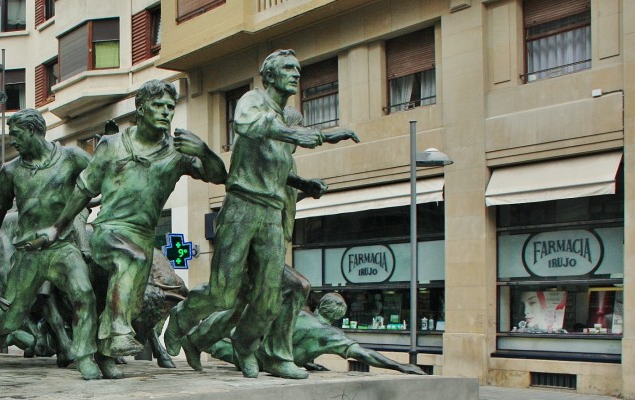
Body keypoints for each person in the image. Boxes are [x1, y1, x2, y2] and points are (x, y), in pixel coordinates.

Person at [164, 49, 359, 378]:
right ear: (269, 76)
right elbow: (246, 124)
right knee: (223, 293)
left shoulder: (282, 122)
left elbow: (275, 169)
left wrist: (302, 183)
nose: (295, 74)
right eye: (287, 69)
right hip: (242, 206)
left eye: (297, 69)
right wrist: (307, 134)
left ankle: (253, 346)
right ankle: (181, 319)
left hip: (270, 211)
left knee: (269, 295)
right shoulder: (253, 101)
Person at [27, 79, 226, 378]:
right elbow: (83, 190)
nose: (165, 112)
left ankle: (106, 354)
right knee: (130, 259)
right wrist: (57, 228)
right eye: (158, 106)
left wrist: (205, 151)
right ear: (141, 108)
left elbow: (218, 175)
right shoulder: (112, 145)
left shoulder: (178, 153)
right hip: (108, 230)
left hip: (143, 238)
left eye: (170, 108)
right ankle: (119, 331)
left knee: (132, 305)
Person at [0, 108, 100, 379]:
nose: (13, 142)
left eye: (16, 135)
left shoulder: (71, 158)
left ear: (32, 131)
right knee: (9, 316)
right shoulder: (10, 171)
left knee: (84, 293)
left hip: (62, 247)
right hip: (27, 253)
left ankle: (85, 355)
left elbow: (103, 178)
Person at [209, 291, 426, 376]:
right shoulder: (329, 334)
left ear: (320, 305)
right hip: (267, 364)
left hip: (249, 356)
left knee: (209, 341)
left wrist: (308, 362)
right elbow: (364, 354)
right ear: (339, 314)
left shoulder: (297, 314)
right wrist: (399, 366)